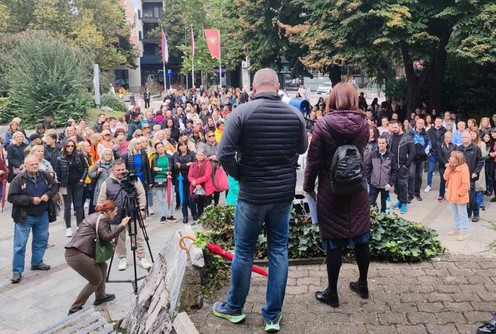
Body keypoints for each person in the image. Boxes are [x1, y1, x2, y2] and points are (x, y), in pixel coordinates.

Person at [215, 68, 307, 332]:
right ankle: (273, 316)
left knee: (243, 251)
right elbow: (302, 148)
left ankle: (234, 308)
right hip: (282, 195)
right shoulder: (294, 114)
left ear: (253, 87)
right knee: (279, 251)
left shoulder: (241, 113)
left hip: (252, 195)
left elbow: (223, 154)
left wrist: (240, 174)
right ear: (277, 86)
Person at [304, 82, 370, 311]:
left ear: (332, 99)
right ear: (353, 99)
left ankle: (332, 293)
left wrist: (308, 187)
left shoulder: (322, 125)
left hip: (330, 191)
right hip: (357, 188)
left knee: (334, 244)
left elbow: (312, 160)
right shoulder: (364, 124)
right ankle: (363, 284)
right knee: (362, 238)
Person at [65, 200, 131, 315]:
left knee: (102, 265)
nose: (116, 214)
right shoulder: (103, 220)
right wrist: (122, 225)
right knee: (95, 280)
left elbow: (100, 237)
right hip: (77, 254)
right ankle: (75, 308)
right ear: (109, 211)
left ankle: (100, 296)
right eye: (115, 211)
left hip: (77, 251)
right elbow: (106, 237)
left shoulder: (98, 216)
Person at [7, 155, 58, 283]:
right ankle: (17, 271)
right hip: (25, 217)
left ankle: (37, 262)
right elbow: (12, 197)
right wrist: (30, 200)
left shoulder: (44, 175)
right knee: (20, 245)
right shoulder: (19, 179)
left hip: (42, 215)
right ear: (25, 166)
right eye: (32, 164)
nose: (35, 166)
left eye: (36, 164)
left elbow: (54, 186)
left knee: (41, 240)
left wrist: (48, 194)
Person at [97, 159, 152, 270]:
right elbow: (101, 200)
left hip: (133, 213)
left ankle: (142, 257)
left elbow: (141, 193)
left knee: (138, 237)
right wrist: (104, 215)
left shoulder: (133, 179)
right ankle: (122, 258)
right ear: (113, 170)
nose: (122, 171)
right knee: (118, 240)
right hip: (116, 216)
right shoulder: (107, 182)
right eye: (119, 170)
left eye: (123, 169)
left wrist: (142, 208)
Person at [55, 139, 89, 237]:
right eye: (68, 146)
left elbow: (86, 167)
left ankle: (79, 225)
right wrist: (60, 184)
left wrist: (82, 179)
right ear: (65, 147)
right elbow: (58, 172)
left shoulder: (79, 155)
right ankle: (68, 227)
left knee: (78, 205)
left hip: (78, 184)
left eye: (72, 146)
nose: (70, 148)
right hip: (66, 185)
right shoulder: (60, 158)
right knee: (67, 206)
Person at [387, 120, 415, 214]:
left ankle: (404, 203)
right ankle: (400, 200)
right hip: (393, 166)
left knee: (403, 185)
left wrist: (407, 165)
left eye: (395, 127)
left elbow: (412, 152)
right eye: (392, 127)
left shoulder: (407, 137)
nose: (394, 129)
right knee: (397, 186)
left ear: (400, 126)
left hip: (403, 165)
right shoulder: (391, 137)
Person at [365, 136, 399, 212]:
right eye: (379, 143)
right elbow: (368, 167)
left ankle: (383, 221)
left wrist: (390, 183)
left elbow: (394, 171)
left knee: (384, 206)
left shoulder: (391, 156)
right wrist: (369, 180)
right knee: (370, 204)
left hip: (385, 185)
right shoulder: (373, 154)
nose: (381, 145)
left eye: (383, 143)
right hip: (374, 184)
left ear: (386, 144)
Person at [456, 130, 484, 221]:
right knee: (462, 196)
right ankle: (466, 213)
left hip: (471, 176)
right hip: (460, 177)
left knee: (472, 196)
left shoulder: (475, 148)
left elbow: (481, 161)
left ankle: (476, 213)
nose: (464, 139)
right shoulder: (458, 148)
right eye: (463, 137)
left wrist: (476, 172)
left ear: (470, 138)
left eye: (466, 137)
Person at [444, 151, 470, 241]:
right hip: (451, 195)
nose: (450, 158)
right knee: (454, 213)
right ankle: (456, 229)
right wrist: (448, 168)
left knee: (462, 214)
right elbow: (445, 177)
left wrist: (459, 193)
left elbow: (466, 184)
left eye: (452, 157)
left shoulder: (464, 168)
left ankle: (464, 233)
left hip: (460, 196)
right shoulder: (452, 167)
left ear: (457, 159)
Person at [173, 140, 197, 223]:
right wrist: (187, 164)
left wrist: (181, 165)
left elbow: (194, 164)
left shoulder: (192, 154)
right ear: (178, 147)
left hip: (190, 177)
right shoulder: (176, 155)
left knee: (191, 197)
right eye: (181, 145)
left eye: (184, 145)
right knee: (183, 198)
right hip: (181, 179)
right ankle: (185, 215)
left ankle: (194, 214)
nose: (183, 147)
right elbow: (176, 167)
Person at [151, 142, 176, 223]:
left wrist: (160, 170)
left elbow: (170, 169)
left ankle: (170, 215)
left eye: (162, 146)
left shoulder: (169, 157)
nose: (161, 148)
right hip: (158, 180)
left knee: (170, 198)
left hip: (168, 179)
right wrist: (164, 171)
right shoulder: (154, 159)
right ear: (156, 150)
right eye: (158, 147)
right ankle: (162, 216)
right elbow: (154, 169)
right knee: (160, 200)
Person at [408, 118, 430, 202]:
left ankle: (417, 193)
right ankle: (410, 194)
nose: (420, 124)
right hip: (412, 158)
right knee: (411, 175)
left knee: (419, 177)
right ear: (416, 124)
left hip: (422, 158)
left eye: (422, 123)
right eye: (419, 123)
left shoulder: (426, 134)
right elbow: (407, 143)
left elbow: (429, 143)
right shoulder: (410, 133)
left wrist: (425, 152)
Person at [187, 149, 214, 217]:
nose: (200, 156)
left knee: (208, 207)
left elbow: (207, 176)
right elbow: (190, 176)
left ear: (204, 156)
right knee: (199, 206)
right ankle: (200, 220)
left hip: (206, 188)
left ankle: (208, 221)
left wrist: (196, 181)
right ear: (196, 156)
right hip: (196, 189)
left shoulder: (208, 163)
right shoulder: (193, 164)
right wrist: (196, 184)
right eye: (198, 155)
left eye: (201, 155)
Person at [425, 117, 446, 192]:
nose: (438, 123)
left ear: (442, 122)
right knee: (430, 170)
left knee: (443, 172)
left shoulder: (444, 130)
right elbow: (426, 141)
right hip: (432, 152)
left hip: (442, 153)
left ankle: (445, 186)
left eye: (440, 121)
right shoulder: (429, 130)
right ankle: (428, 185)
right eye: (437, 121)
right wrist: (427, 150)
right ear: (435, 122)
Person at [438, 131, 456, 201]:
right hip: (443, 165)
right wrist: (445, 163)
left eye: (450, 138)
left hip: (452, 166)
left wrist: (451, 163)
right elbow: (439, 155)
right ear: (445, 138)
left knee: (451, 180)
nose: (449, 139)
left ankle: (451, 194)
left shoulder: (454, 146)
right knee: (443, 179)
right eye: (448, 138)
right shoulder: (440, 145)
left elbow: (455, 155)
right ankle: (441, 194)